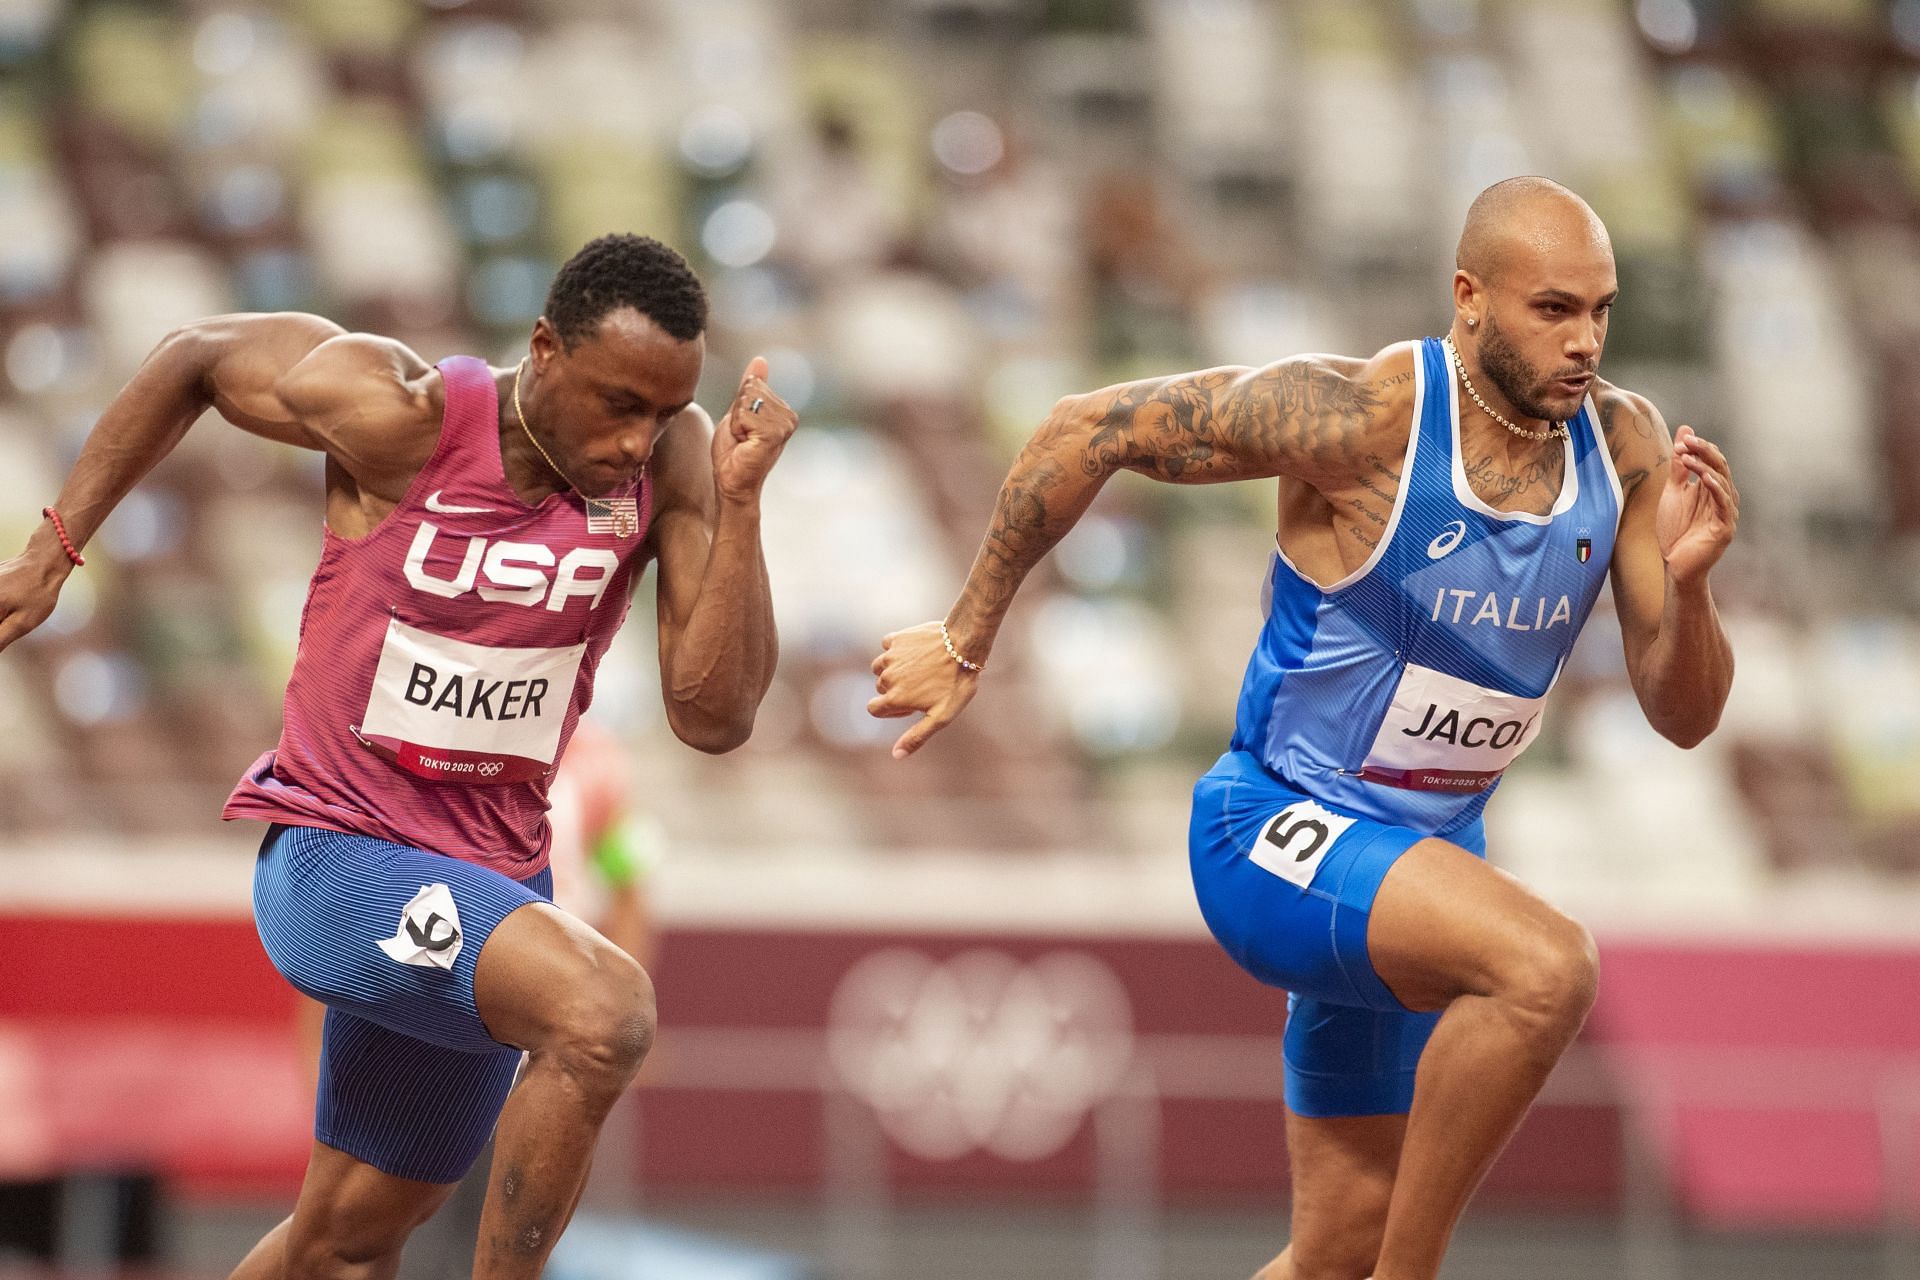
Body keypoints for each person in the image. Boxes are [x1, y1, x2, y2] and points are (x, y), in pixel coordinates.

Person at [869, 177, 1736, 1280]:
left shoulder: (1622, 447)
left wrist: (1694, 592)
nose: (1586, 342)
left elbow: (1684, 715)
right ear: (1468, 297)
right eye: (1553, 309)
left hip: (1419, 867)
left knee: (1335, 1247)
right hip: (1275, 830)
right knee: (1547, 968)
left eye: (1601, 311)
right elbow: (1088, 426)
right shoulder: (1367, 417)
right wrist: (966, 633)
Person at [0, 233, 795, 1278]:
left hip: (493, 877)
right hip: (340, 858)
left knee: (344, 1241)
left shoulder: (678, 458)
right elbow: (195, 354)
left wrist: (738, 503)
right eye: (617, 403)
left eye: (662, 410)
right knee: (607, 1012)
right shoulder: (404, 414)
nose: (638, 439)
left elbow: (715, 714)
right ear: (545, 347)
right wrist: (53, 548)